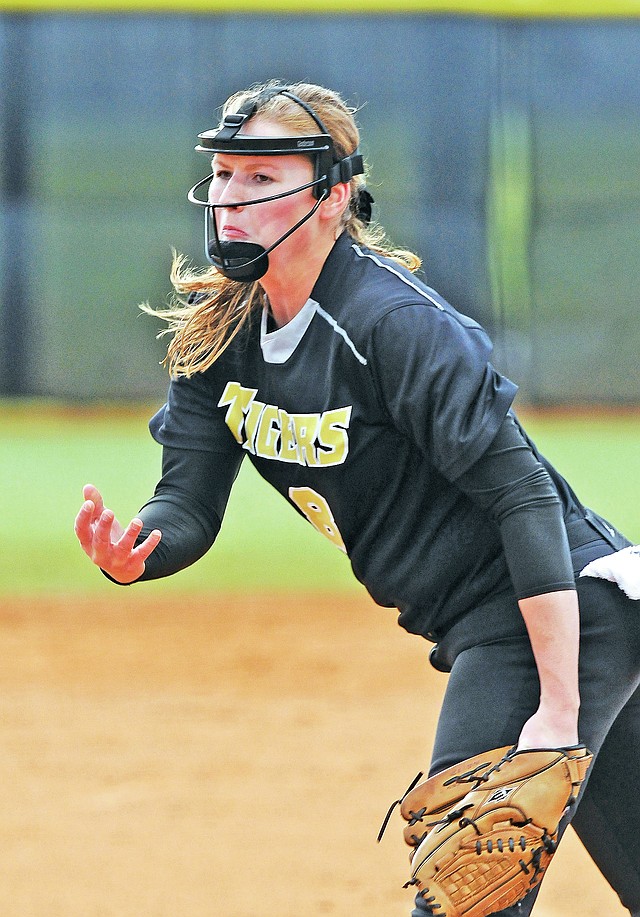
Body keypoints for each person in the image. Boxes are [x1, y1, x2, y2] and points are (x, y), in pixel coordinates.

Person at [74, 81, 640, 916]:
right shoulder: (219, 333)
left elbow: (525, 498)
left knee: (467, 892)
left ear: (333, 196)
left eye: (263, 180)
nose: (232, 200)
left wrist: (559, 706)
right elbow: (187, 501)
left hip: (553, 608)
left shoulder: (392, 324)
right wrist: (142, 549)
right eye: (226, 175)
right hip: (494, 617)